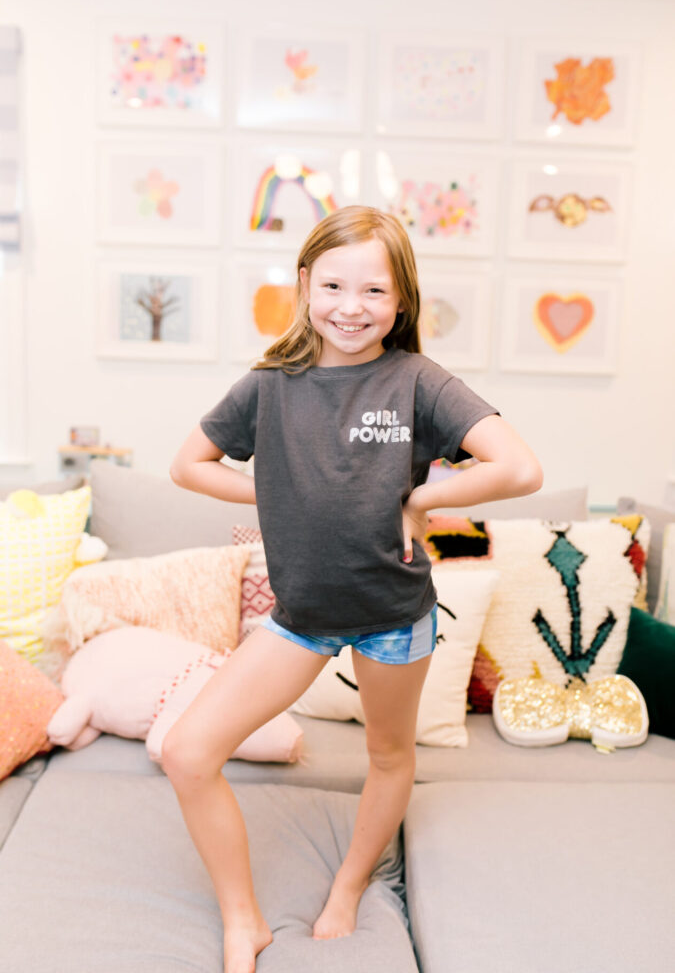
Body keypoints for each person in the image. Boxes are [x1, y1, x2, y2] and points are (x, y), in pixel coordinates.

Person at [165, 205, 543, 973]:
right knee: (187, 752)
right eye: (332, 284)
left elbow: (519, 467)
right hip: (299, 618)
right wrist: (277, 494)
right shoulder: (269, 386)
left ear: (401, 300)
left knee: (387, 753)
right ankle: (244, 920)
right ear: (304, 286)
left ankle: (347, 885)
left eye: (373, 291)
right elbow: (188, 466)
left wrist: (420, 499)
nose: (350, 306)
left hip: (392, 617)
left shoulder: (416, 381)